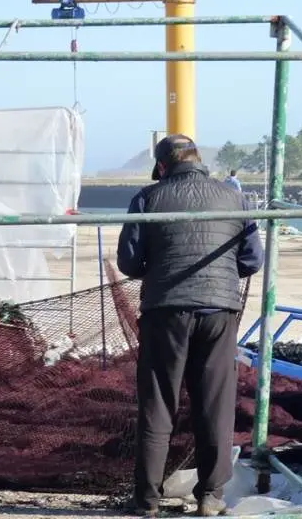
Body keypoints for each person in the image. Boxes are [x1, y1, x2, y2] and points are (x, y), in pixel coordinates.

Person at [117, 134, 263, 517]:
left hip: (165, 311)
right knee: (215, 404)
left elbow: (129, 263)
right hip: (219, 311)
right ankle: (211, 497)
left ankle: (146, 499)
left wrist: (162, 269)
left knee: (158, 404)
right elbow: (253, 260)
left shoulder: (148, 198)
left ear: (163, 166)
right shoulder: (234, 197)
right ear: (199, 160)